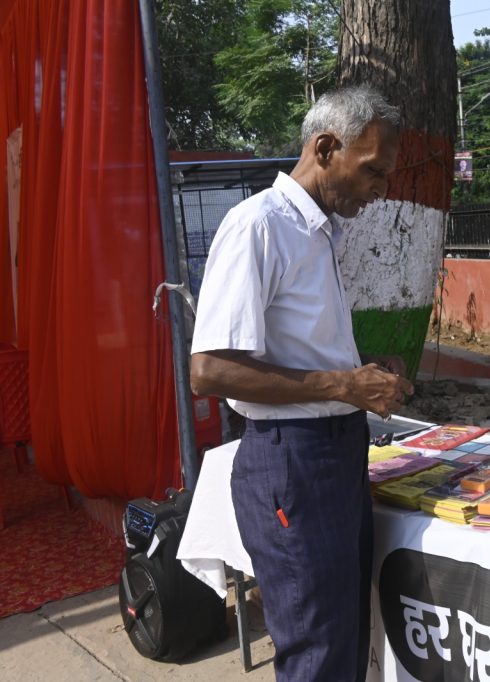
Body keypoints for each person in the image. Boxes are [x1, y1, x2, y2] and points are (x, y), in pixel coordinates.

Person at [189, 85, 414, 682]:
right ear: (324, 147)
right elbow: (208, 370)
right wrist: (343, 384)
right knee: (317, 652)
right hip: (291, 462)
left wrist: (366, 370)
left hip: (334, 453)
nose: (380, 188)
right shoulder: (258, 225)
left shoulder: (322, 233)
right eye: (372, 170)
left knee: (343, 638)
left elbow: (300, 348)